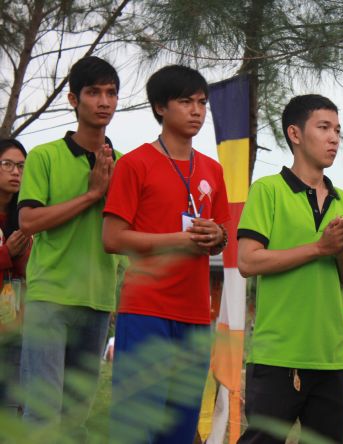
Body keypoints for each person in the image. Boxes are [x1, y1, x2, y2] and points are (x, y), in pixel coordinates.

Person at [103, 64, 230, 444]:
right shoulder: (134, 164)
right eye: (186, 101)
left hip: (196, 312)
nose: (196, 111)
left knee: (180, 428)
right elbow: (112, 237)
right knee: (137, 426)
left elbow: (223, 236)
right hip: (146, 309)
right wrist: (178, 239)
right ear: (160, 107)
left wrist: (217, 235)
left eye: (202, 103)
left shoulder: (213, 170)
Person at [236, 94, 343, 443]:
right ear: (295, 134)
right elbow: (248, 261)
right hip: (278, 355)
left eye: (338, 130)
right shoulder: (268, 190)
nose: (334, 138)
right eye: (324, 128)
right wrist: (319, 248)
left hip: (333, 358)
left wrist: (339, 255)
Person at [18, 56, 122, 435]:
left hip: (98, 301)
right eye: (93, 92)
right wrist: (92, 195)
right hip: (50, 298)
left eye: (111, 93)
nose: (104, 101)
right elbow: (29, 221)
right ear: (73, 99)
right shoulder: (44, 156)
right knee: (42, 415)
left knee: (76, 419)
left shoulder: (124, 165)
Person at [0, 139, 29, 415]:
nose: (15, 172)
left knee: (10, 406)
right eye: (7, 164)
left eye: (21, 166)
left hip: (14, 323)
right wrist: (6, 254)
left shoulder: (25, 217)